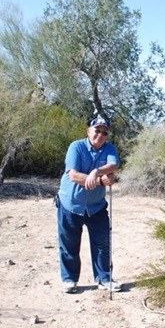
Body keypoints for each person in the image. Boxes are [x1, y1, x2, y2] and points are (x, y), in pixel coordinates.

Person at [56, 116, 122, 294]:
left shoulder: (110, 149)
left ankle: (104, 278)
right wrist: (102, 180)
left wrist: (97, 172)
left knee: (102, 243)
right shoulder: (76, 147)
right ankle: (69, 280)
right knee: (69, 244)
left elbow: (113, 165)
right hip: (71, 204)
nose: (100, 135)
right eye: (97, 131)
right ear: (88, 132)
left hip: (96, 206)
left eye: (104, 132)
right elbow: (74, 175)